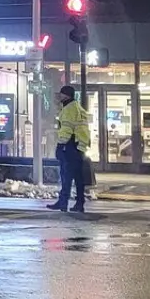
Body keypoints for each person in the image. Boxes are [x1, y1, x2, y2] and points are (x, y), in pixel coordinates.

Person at [48, 86, 90, 214]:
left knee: (66, 176)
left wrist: (60, 145)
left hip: (70, 146)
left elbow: (66, 130)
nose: (59, 97)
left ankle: (63, 202)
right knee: (78, 178)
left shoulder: (68, 109)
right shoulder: (78, 108)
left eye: (61, 94)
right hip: (79, 147)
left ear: (66, 96)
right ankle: (80, 203)